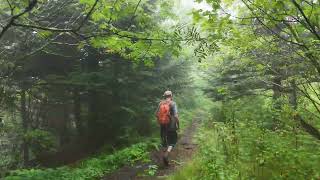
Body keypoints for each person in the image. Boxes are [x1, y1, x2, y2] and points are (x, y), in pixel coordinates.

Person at [156, 90, 179, 165]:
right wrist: (178, 124)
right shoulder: (173, 103)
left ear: (164, 96)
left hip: (163, 125)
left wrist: (160, 122)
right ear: (171, 96)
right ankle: (166, 155)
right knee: (172, 141)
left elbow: (156, 114)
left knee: (164, 140)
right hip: (171, 126)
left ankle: (164, 154)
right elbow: (175, 116)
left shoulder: (160, 103)